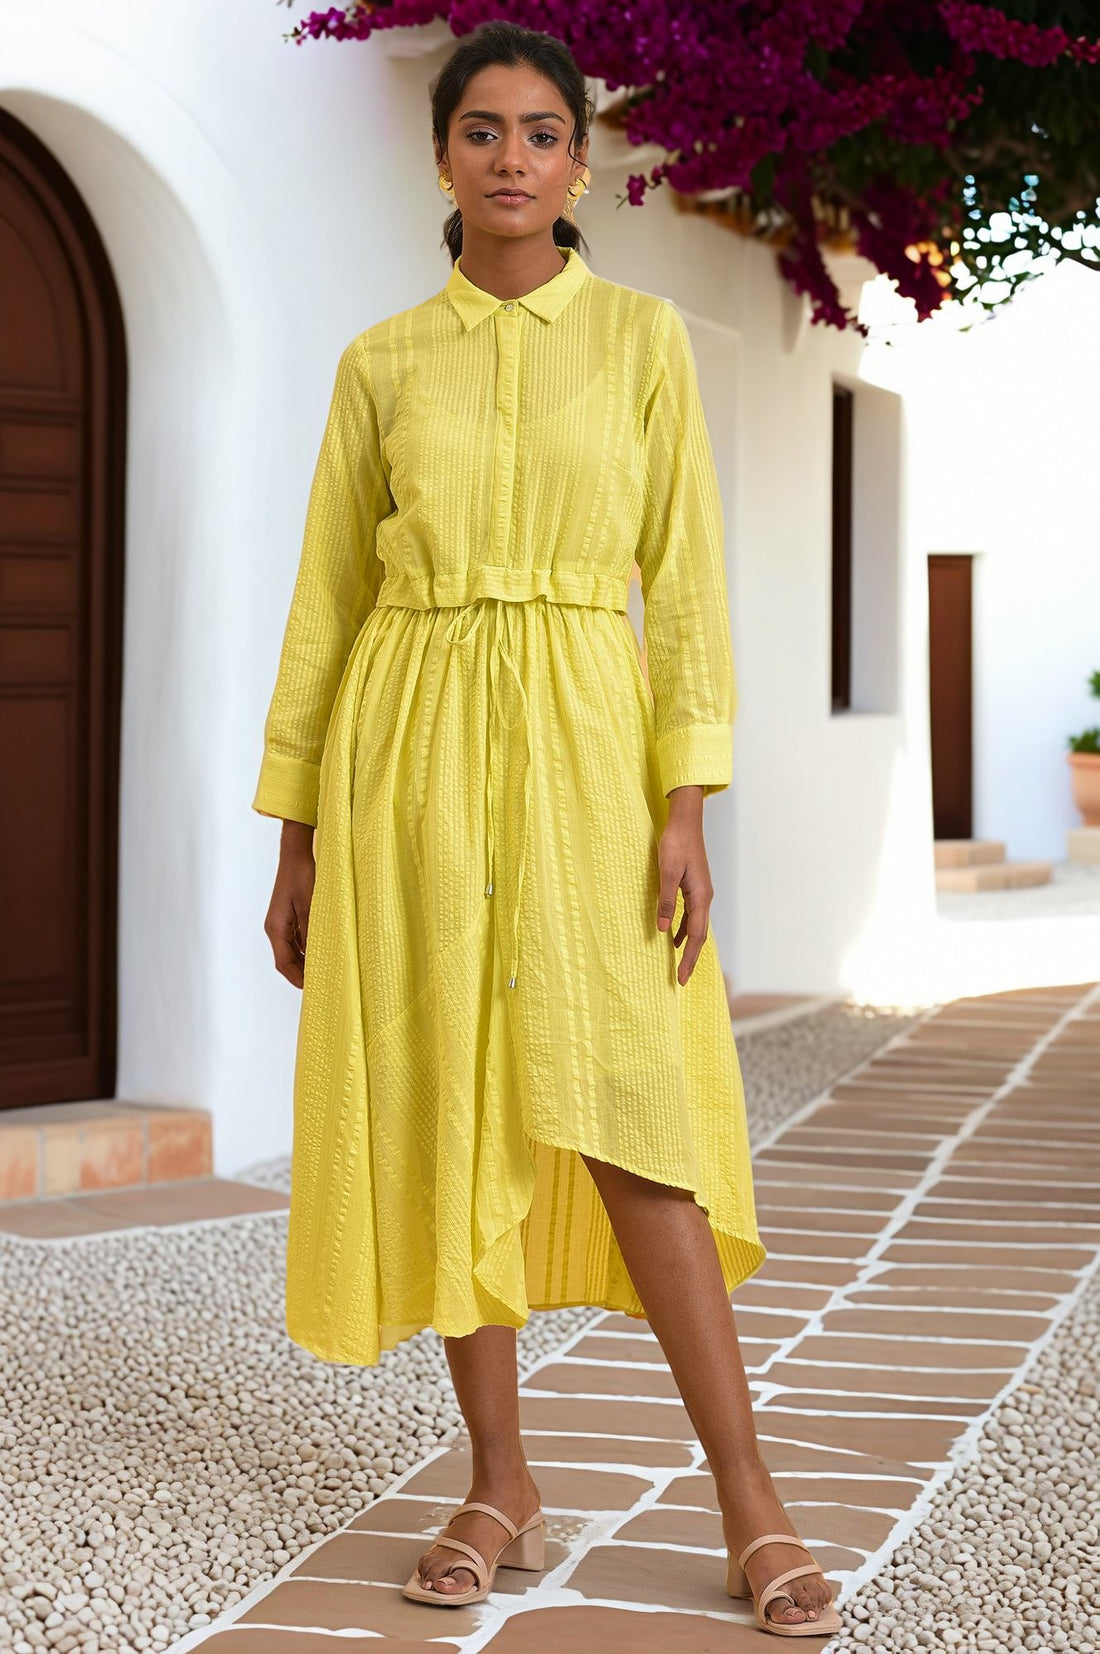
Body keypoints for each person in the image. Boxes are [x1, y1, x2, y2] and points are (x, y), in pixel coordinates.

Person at [253, 18, 839, 1638]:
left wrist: (686, 804)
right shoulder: (381, 363)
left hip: (589, 746)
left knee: (636, 1116)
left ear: (582, 163)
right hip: (410, 756)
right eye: (482, 131)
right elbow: (326, 603)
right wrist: (296, 832)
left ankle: (750, 1497)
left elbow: (689, 582)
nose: (510, 157)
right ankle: (499, 1477)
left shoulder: (644, 343)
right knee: (454, 1097)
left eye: (540, 133)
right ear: (441, 155)